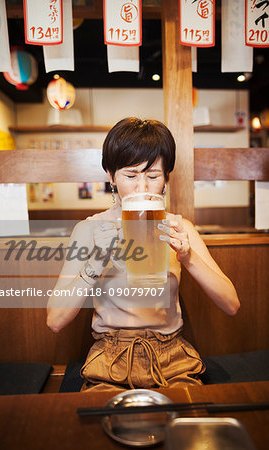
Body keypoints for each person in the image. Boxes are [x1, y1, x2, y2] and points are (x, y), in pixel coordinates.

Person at [47, 117, 240, 392]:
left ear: (166, 179)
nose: (142, 188)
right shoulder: (89, 230)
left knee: (186, 425)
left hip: (171, 356)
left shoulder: (179, 227)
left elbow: (231, 304)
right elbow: (54, 320)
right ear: (111, 176)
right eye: (130, 175)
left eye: (152, 176)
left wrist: (188, 258)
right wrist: (96, 263)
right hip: (110, 359)